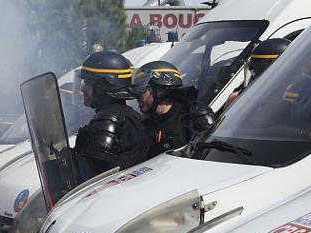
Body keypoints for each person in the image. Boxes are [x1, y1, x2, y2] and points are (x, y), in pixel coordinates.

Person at [72, 51, 147, 182]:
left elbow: (90, 175)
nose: (83, 89)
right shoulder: (125, 115)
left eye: (87, 83)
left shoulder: (111, 120)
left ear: (103, 85)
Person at [132, 60, 214, 155]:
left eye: (142, 90)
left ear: (159, 91)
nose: (137, 96)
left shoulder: (193, 117)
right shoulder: (147, 122)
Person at [225, 38, 292, 107]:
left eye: (257, 67)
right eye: (252, 67)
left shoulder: (296, 93)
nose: (253, 71)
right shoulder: (254, 95)